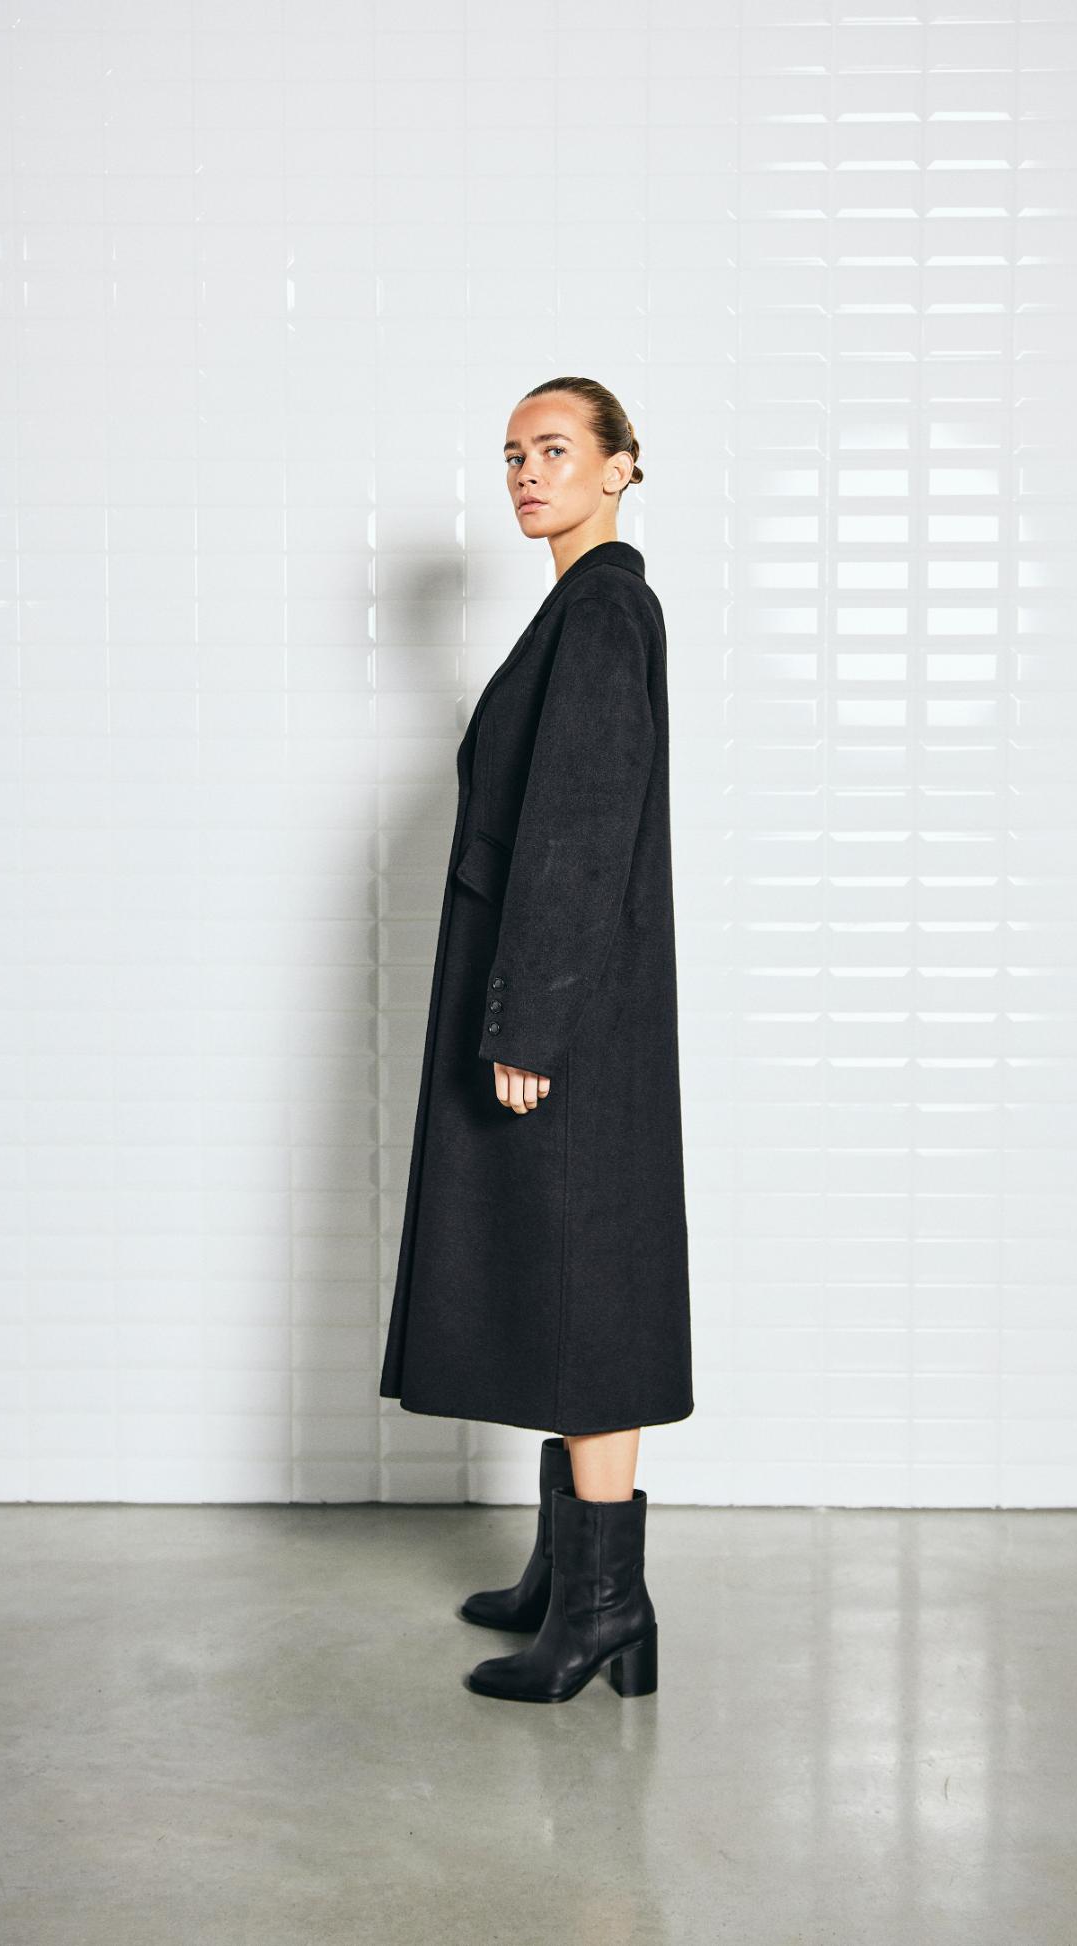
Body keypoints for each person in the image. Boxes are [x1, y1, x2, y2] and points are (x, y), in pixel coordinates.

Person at [379, 376, 693, 1703]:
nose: (526, 472)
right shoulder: (578, 609)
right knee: (563, 1280)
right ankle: (570, 1572)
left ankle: (606, 1607)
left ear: (621, 467)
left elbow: (579, 826)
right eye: (513, 454)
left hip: (573, 1017)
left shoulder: (604, 610)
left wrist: (532, 1018)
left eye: (555, 449)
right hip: (566, 1003)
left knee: (593, 1295)